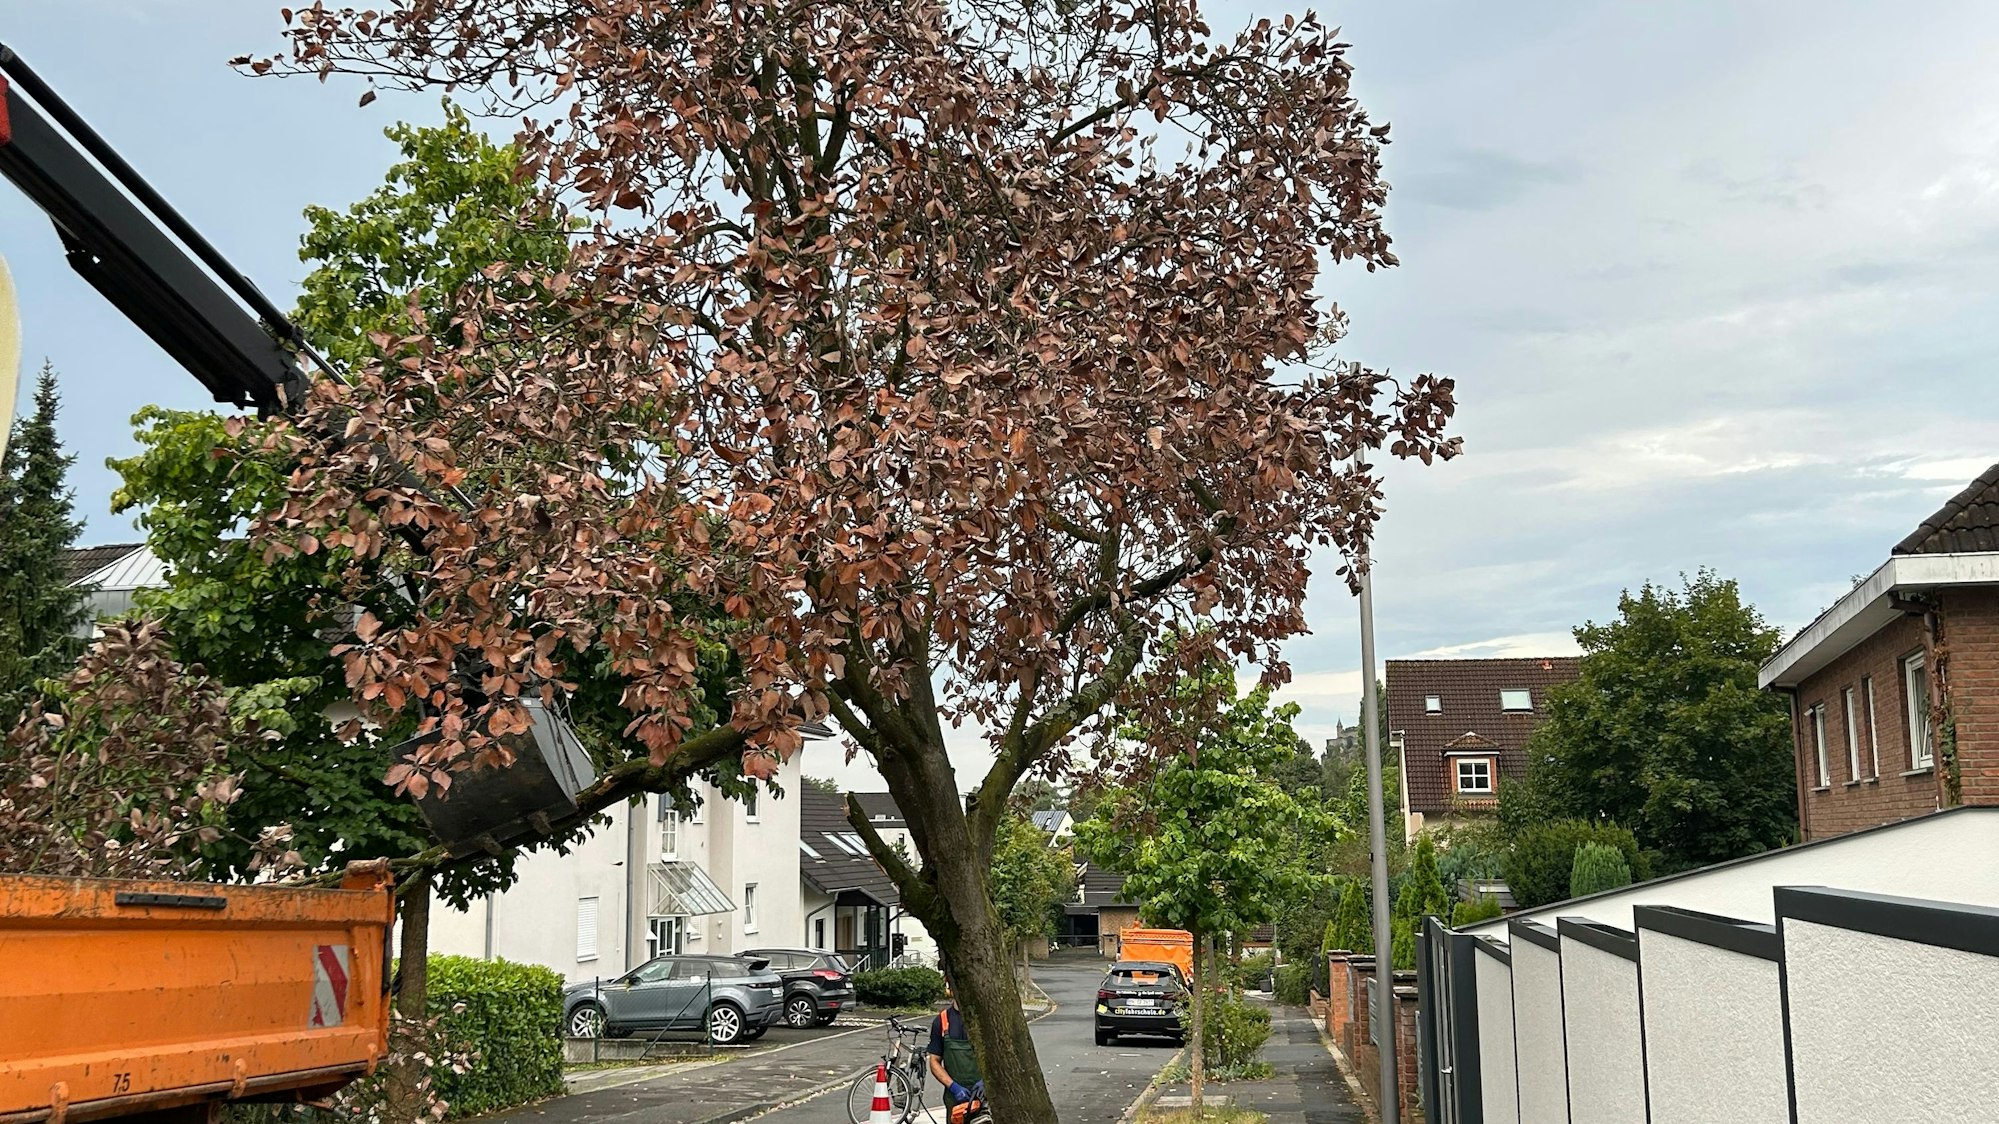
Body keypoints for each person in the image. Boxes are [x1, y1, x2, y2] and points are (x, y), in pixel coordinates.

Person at [927, 970, 984, 1115]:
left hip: (985, 1098)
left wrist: (986, 1081)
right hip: (955, 1101)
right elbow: (934, 1061)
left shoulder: (984, 1019)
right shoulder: (942, 1021)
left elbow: (1000, 1056)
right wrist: (953, 1086)